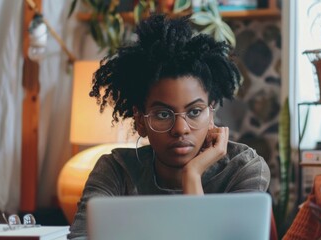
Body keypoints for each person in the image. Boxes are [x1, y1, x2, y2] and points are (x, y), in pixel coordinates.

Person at [68, 14, 270, 239]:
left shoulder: (242, 168)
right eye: (163, 114)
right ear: (140, 121)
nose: (181, 128)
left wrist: (192, 174)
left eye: (194, 112)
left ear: (211, 112)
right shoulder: (116, 170)